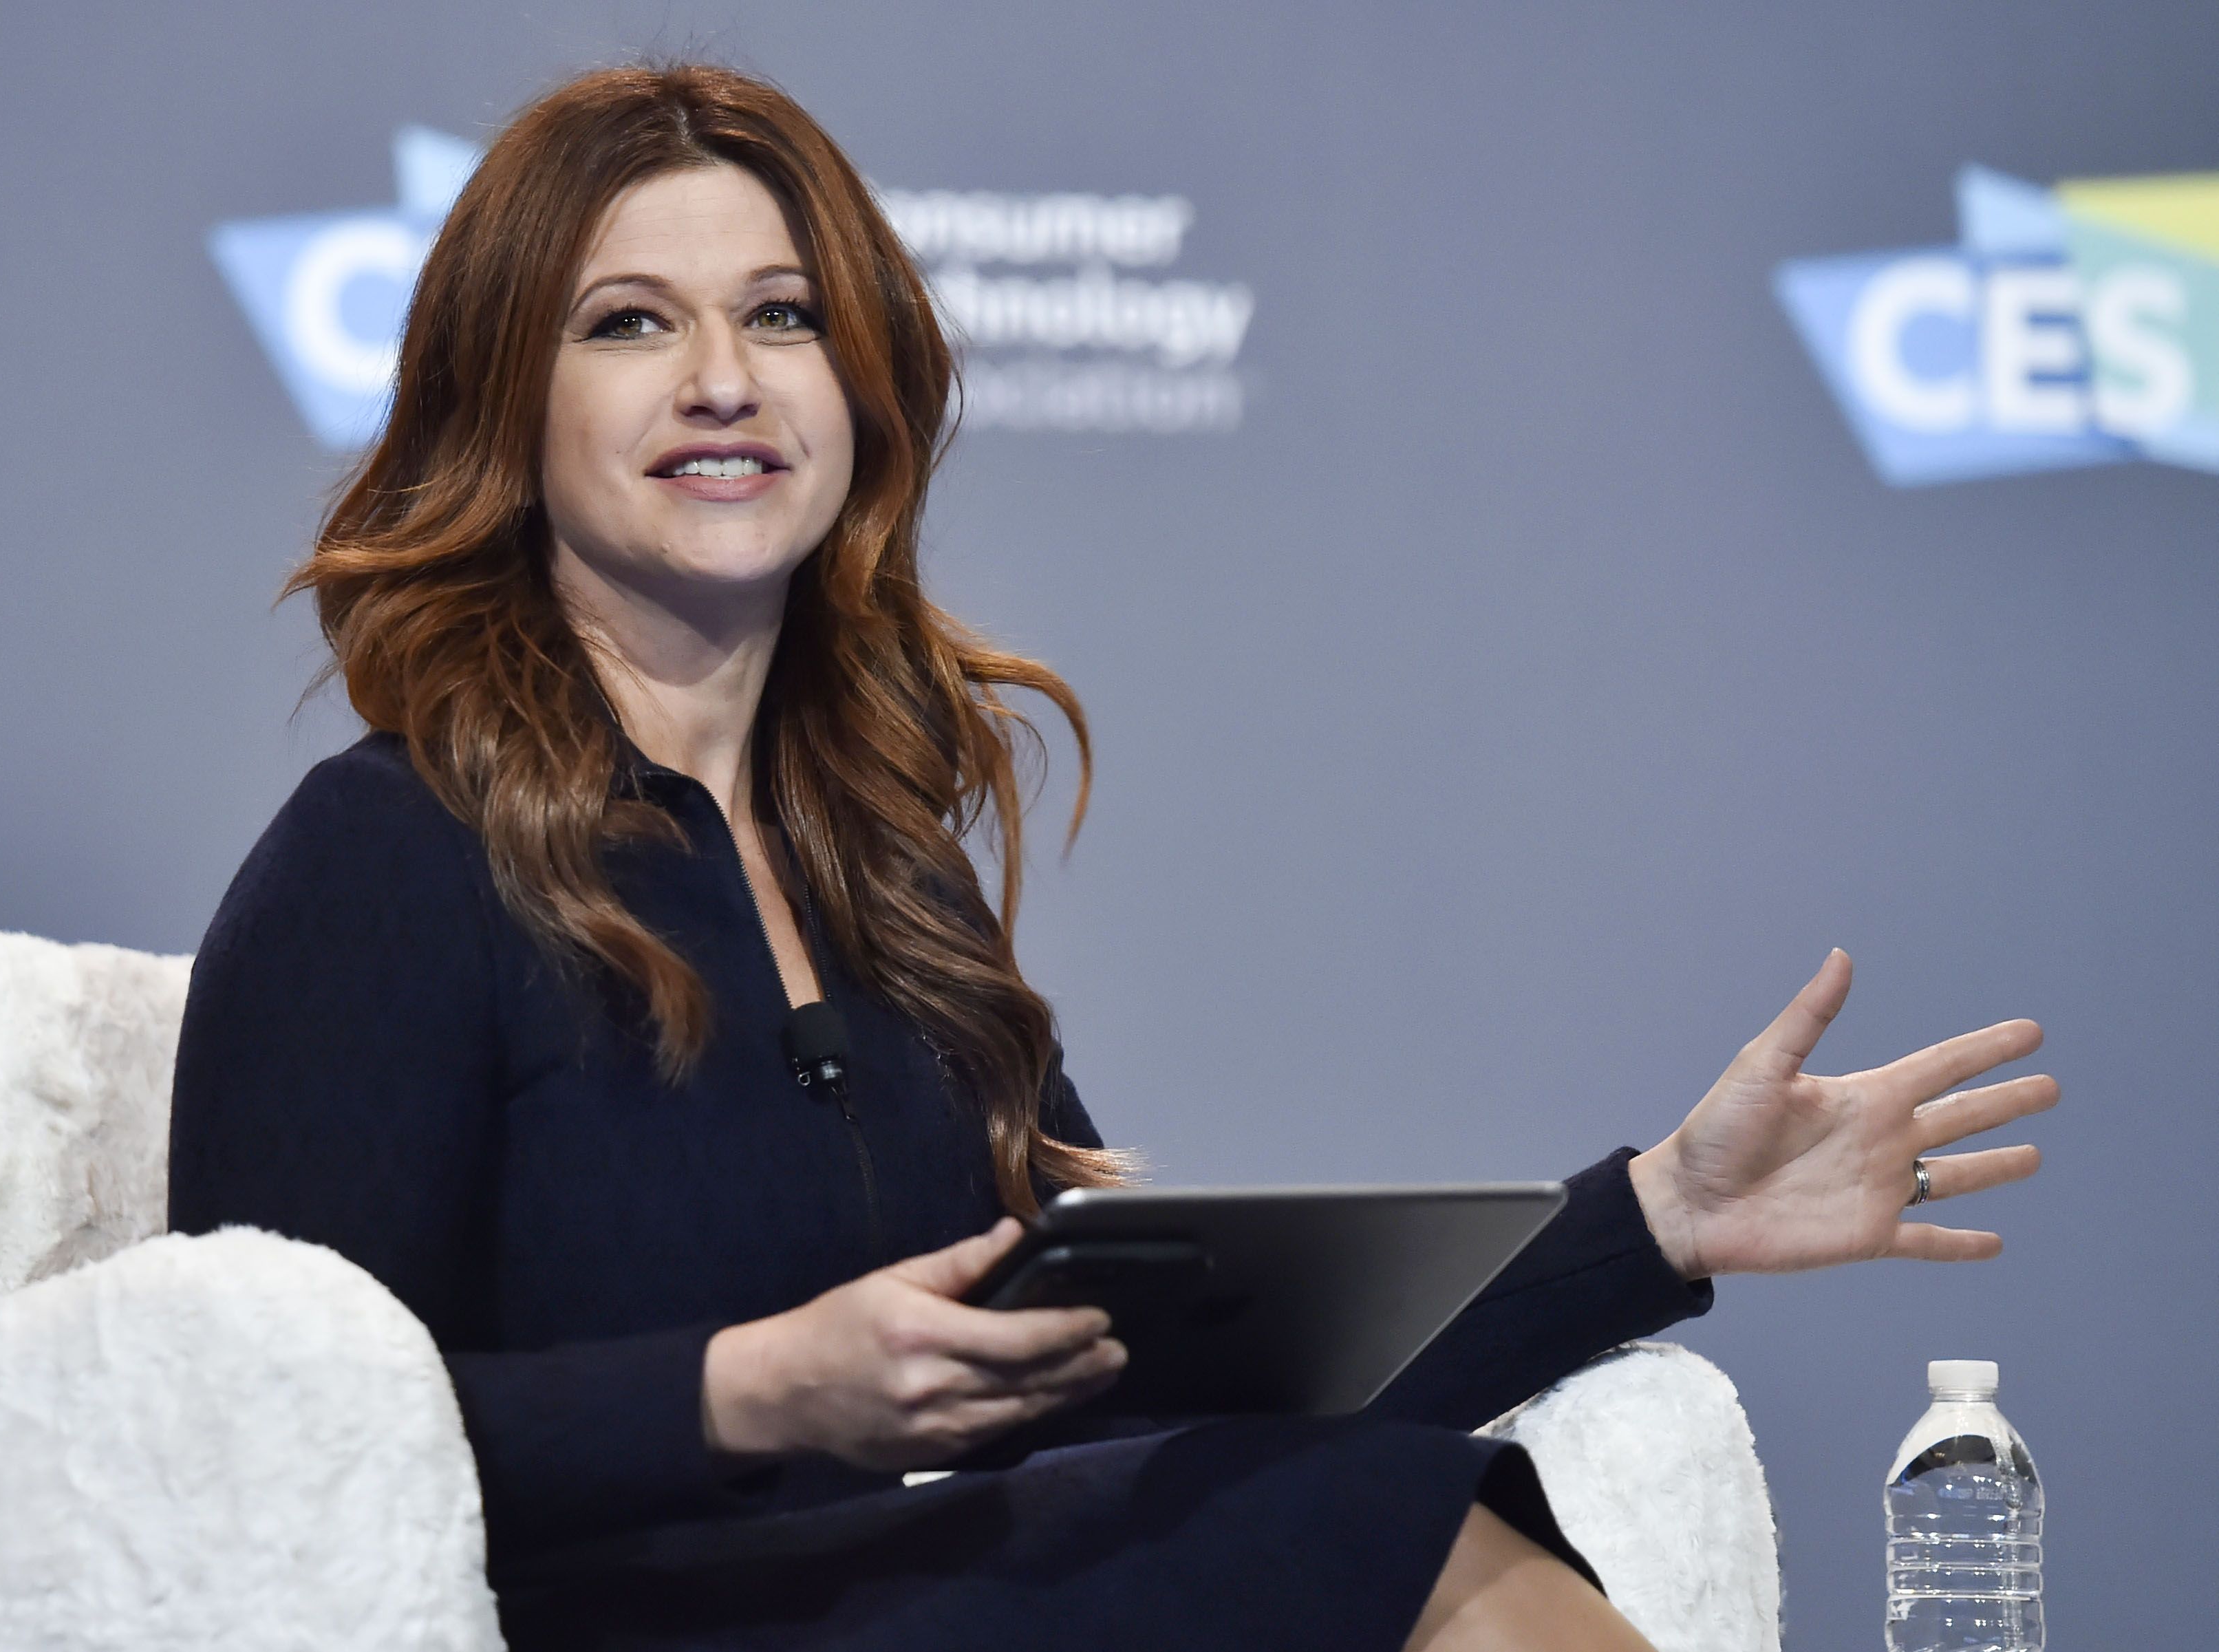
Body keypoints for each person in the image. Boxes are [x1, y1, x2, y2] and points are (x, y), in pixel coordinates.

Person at [166, 63, 2057, 1652]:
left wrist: (1655, 1219)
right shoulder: (391, 854)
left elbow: (1132, 1383)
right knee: (1356, 1518)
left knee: (1336, 1494)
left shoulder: (880, 876)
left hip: (911, 1590)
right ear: (507, 404)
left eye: (785, 313)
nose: (724, 376)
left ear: (865, 392)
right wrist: (754, 1386)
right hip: (607, 1621)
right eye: (630, 321)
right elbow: (264, 1440)